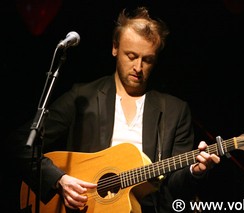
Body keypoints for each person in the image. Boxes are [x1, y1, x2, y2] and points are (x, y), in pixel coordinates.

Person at [14, 6, 220, 213]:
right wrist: (59, 180)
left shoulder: (175, 111)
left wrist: (195, 171)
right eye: (131, 56)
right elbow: (20, 144)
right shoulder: (83, 97)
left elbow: (174, 187)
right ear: (114, 48)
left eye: (147, 59)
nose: (138, 68)